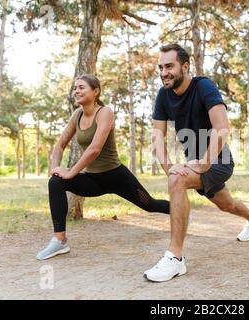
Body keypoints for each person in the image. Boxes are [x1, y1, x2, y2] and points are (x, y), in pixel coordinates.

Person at [143, 44, 249, 282]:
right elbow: (157, 135)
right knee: (226, 204)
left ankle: (175, 259)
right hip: (195, 162)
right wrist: (169, 165)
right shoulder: (163, 95)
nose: (164, 72)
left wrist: (203, 163)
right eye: (161, 67)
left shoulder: (203, 86)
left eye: (169, 66)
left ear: (185, 66)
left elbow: (222, 129)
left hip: (218, 160)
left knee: (177, 181)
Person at [37, 74, 170, 261]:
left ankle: (179, 211)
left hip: (116, 176)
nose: (77, 91)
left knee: (150, 204)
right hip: (93, 180)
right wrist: (55, 168)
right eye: (75, 88)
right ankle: (60, 241)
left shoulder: (105, 112)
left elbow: (94, 149)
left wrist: (71, 172)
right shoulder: (77, 115)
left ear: (96, 91)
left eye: (82, 87)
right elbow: (59, 146)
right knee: (56, 182)